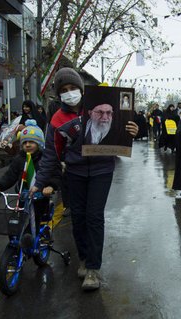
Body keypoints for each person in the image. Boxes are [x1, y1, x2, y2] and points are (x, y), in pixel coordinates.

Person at [31, 66, 139, 291]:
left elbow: (122, 131)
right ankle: (83, 259)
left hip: (102, 171)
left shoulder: (97, 106)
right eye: (64, 90)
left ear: (81, 89)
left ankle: (93, 269)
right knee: (78, 218)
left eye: (73, 88)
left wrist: (132, 130)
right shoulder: (57, 119)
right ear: (59, 94)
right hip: (74, 173)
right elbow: (50, 154)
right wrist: (38, 183)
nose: (70, 93)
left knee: (94, 217)